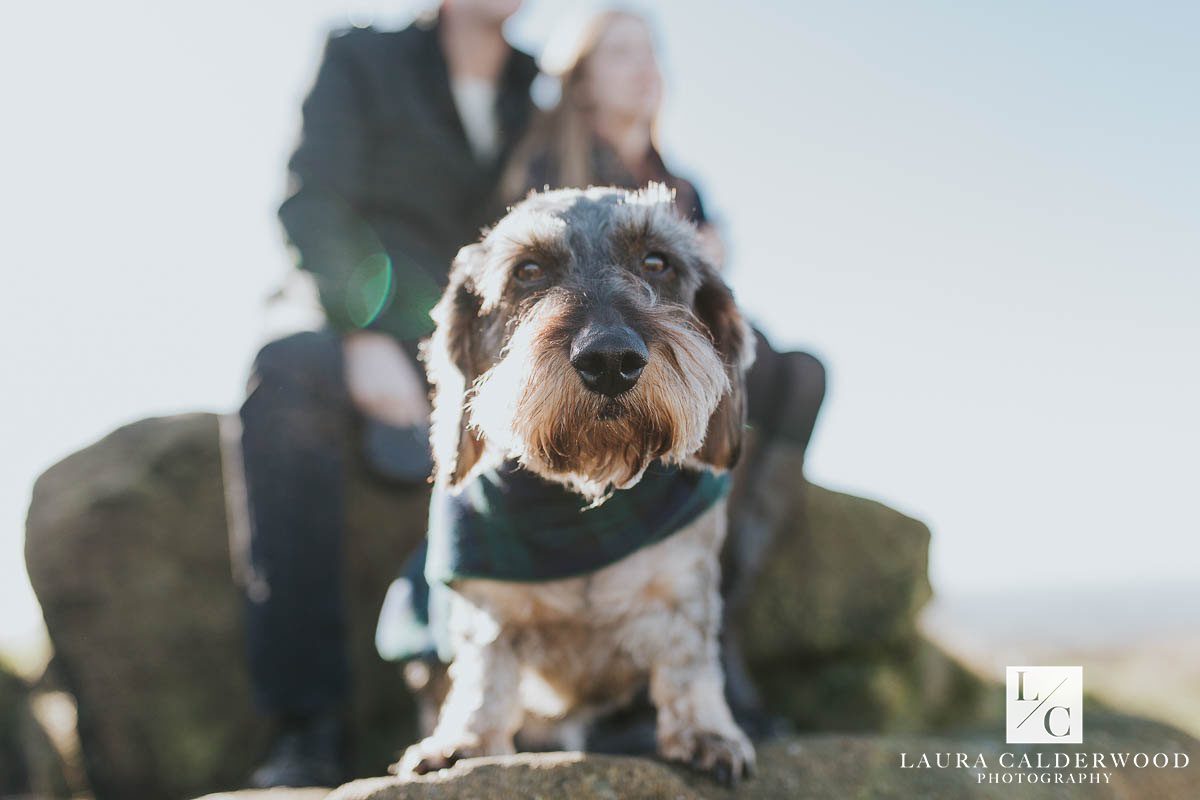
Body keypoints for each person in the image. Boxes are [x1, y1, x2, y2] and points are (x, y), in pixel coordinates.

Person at [500, 9, 827, 737]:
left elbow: (706, 288)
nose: (644, 68)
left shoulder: (680, 178)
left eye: (650, 53)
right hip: (599, 345)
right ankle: (656, 657)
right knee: (738, 383)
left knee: (797, 374)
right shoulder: (551, 167)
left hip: (681, 339)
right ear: (581, 77)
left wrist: (709, 256)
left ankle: (724, 582)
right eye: (620, 54)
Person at [238, 0, 538, 788]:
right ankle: (308, 726)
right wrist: (361, 332)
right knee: (287, 379)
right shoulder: (360, 57)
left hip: (482, 330)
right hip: (354, 309)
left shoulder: (537, 91)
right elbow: (311, 200)